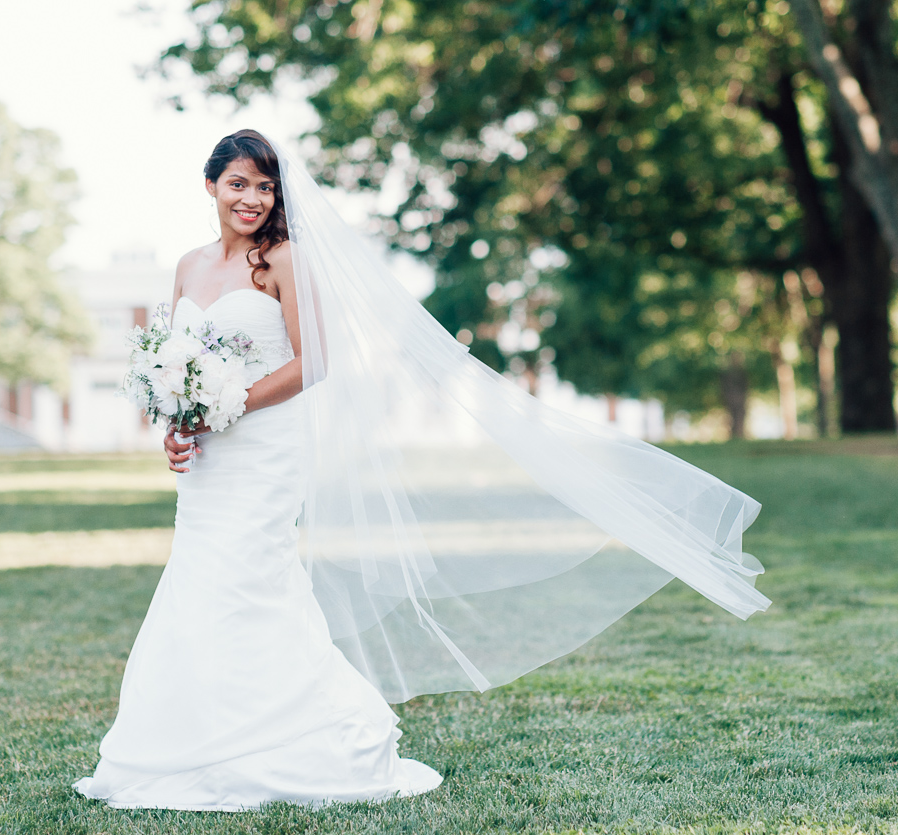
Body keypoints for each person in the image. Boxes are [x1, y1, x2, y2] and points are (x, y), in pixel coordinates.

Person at [74, 129, 770, 812]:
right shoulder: (188, 267)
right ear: (210, 186)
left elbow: (315, 360)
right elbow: (175, 363)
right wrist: (179, 426)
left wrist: (230, 405)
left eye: (264, 185)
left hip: (264, 448)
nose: (252, 198)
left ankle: (294, 740)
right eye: (238, 184)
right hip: (208, 460)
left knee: (251, 578)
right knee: (198, 576)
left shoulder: (284, 259)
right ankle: (196, 738)